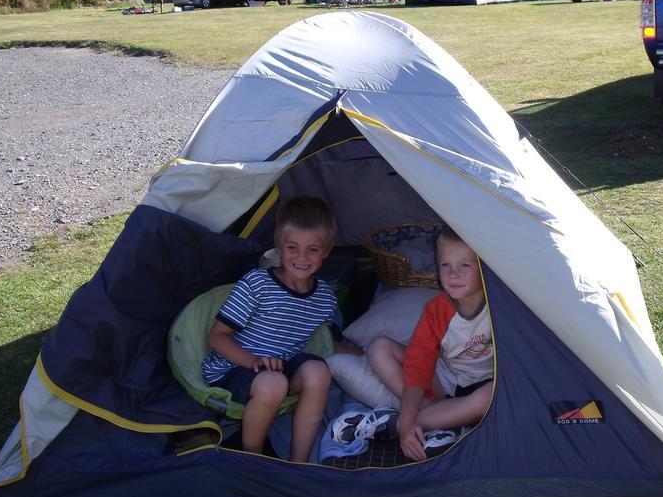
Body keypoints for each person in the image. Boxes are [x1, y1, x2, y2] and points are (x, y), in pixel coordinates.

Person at [333, 226, 493, 461]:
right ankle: (437, 422)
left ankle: (395, 423)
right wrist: (410, 419)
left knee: (487, 398)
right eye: (445, 265)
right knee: (379, 348)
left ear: (484, 268)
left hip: (483, 386)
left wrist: (406, 422)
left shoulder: (498, 307)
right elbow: (419, 364)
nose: (453, 274)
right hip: (445, 381)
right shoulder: (437, 310)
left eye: (464, 265)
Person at [201, 196, 337, 462]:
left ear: (327, 251)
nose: (301, 257)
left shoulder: (325, 299)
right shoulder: (257, 284)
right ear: (279, 246)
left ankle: (299, 461)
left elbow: (328, 341)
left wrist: (363, 355)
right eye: (292, 247)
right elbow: (217, 337)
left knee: (319, 371)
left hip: (279, 368)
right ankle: (253, 456)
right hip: (234, 369)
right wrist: (254, 361)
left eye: (313, 249)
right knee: (274, 382)